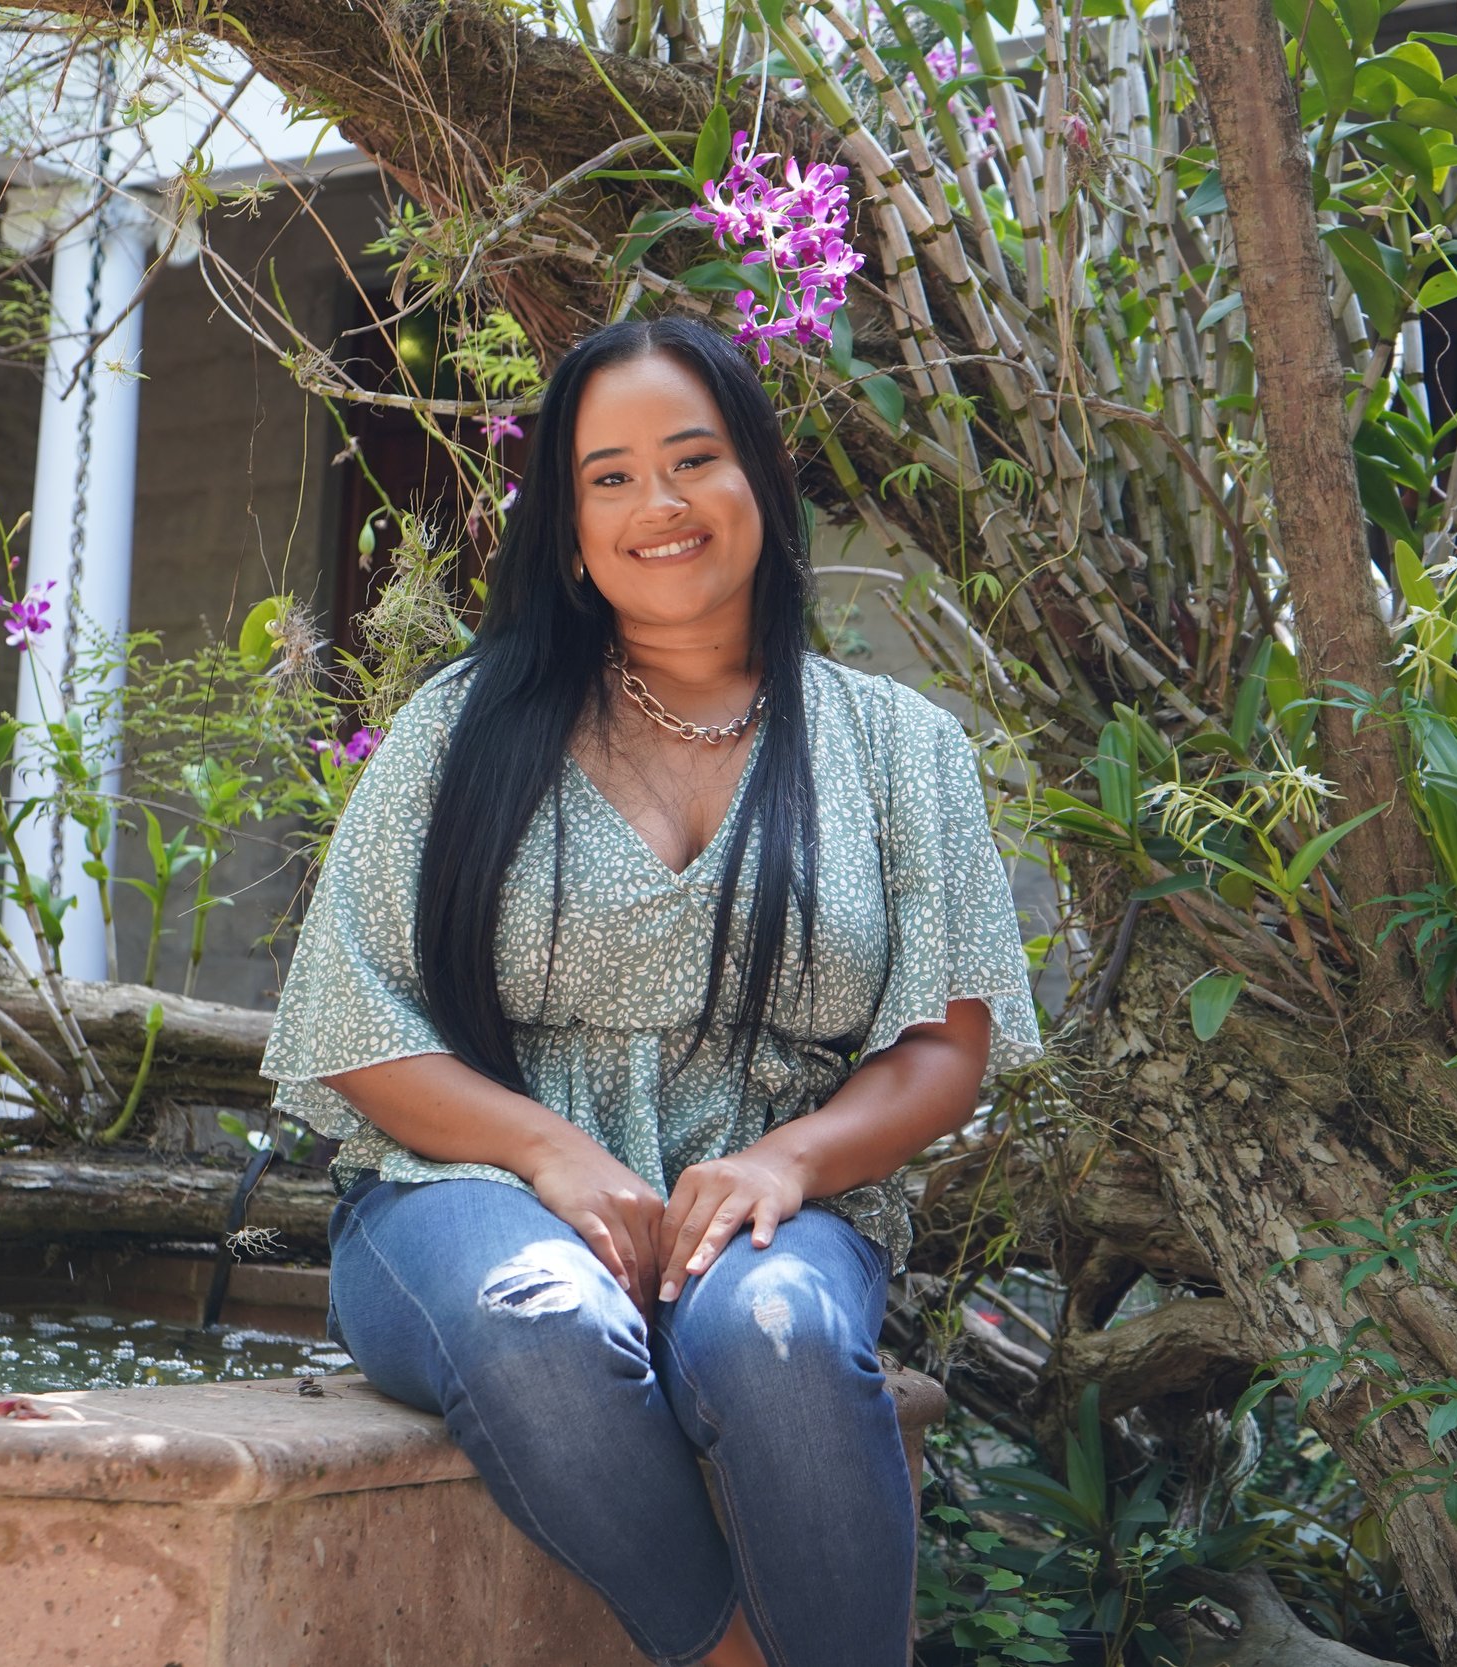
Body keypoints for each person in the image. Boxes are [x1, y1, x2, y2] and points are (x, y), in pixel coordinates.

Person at [260, 314, 1042, 1667]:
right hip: (465, 1198)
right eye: (608, 478)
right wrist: (552, 1158)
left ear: (762, 487)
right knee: (540, 1323)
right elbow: (350, 1021)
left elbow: (942, 1049)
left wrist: (782, 1164)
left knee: (779, 1339)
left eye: (693, 460)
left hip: (777, 1214)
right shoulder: (460, 728)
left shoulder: (901, 749)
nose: (657, 504)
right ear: (567, 533)